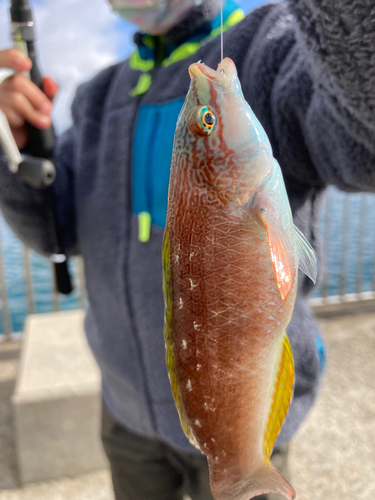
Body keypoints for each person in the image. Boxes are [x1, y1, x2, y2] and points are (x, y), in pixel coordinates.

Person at [0, 0, 374, 498]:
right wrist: (15, 154)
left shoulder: (272, 46)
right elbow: (54, 231)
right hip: (123, 411)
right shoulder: (94, 99)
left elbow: (363, 137)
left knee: (244, 469)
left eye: (205, 122)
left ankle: (244, 466)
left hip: (247, 414)